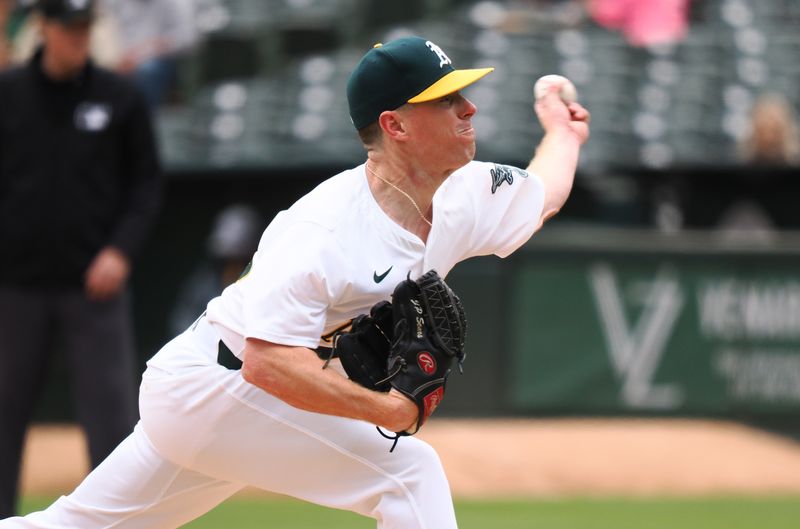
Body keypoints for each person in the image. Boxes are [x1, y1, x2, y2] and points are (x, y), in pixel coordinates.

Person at [0, 35, 589, 528]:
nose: (468, 109)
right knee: (411, 475)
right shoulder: (323, 227)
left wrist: (563, 133)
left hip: (228, 398)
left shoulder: (461, 193)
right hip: (222, 387)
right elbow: (268, 362)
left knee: (75, 525)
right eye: (445, 99)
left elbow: (540, 199)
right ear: (396, 124)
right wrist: (384, 409)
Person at [0, 0, 161, 519]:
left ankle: (116, 521)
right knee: (3, 415)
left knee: (111, 420)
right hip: (16, 287)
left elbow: (145, 185)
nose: (78, 38)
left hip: (96, 285)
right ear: (44, 29)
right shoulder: (9, 95)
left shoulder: (119, 97)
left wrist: (121, 250)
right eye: (68, 28)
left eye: (85, 28)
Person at [169, 203, 264, 336]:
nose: (231, 270)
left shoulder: (266, 287)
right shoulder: (202, 286)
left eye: (237, 262)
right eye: (225, 262)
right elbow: (182, 328)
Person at [103, 0, 199, 109]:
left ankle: (142, 118)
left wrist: (141, 54)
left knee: (147, 70)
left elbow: (188, 38)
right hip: (120, 58)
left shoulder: (177, 3)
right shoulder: (113, 3)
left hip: (159, 61)